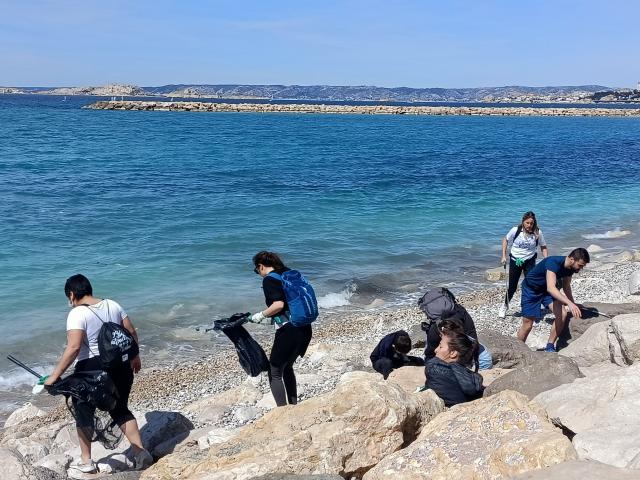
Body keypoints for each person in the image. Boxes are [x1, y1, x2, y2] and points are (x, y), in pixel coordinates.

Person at [44, 274, 153, 475]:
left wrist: (53, 377)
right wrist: (135, 357)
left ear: (71, 294)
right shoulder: (113, 304)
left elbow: (74, 347)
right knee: (120, 409)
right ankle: (140, 453)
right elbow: (130, 332)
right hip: (121, 368)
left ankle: (86, 461)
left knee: (83, 413)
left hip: (91, 372)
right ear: (89, 289)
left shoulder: (77, 314)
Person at [248, 251, 313, 406]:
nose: (258, 273)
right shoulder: (288, 273)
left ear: (261, 266)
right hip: (305, 327)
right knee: (288, 367)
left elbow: (278, 305)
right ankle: (293, 406)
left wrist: (260, 315)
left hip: (289, 331)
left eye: (256, 270)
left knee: (274, 371)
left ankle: (282, 412)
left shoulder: (269, 280)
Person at [518, 248, 590, 352]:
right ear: (572, 259)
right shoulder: (553, 262)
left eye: (582, 266)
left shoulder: (571, 268)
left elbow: (566, 287)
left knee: (562, 314)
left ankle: (550, 346)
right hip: (531, 290)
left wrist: (573, 304)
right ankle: (519, 350)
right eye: (580, 265)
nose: (581, 268)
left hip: (546, 291)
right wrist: (569, 303)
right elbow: (551, 288)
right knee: (528, 324)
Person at [499, 211, 548, 318]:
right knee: (512, 286)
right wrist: (503, 255)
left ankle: (531, 309)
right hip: (516, 260)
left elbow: (543, 246)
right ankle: (504, 306)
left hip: (529, 261)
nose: (529, 225)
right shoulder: (515, 230)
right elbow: (505, 240)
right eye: (527, 223)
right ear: (523, 222)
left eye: (531, 223)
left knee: (531, 285)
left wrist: (546, 260)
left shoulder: (537, 232)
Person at [424, 320, 484, 407]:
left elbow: (430, 366)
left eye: (440, 346)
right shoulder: (470, 377)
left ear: (453, 353)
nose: (435, 350)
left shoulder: (436, 371)